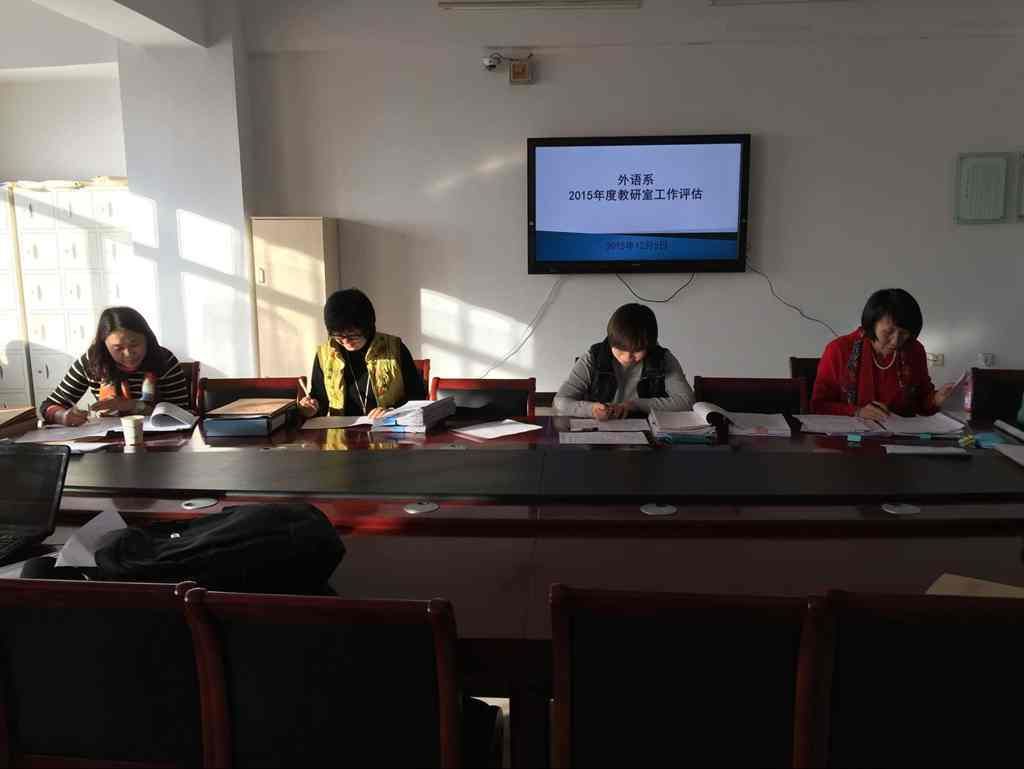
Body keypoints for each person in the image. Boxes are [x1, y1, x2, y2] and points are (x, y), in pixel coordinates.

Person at [811, 288, 955, 419]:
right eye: (888, 332)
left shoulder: (914, 350)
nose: (896, 341)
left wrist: (936, 399)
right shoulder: (839, 349)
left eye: (904, 333)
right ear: (872, 323)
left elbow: (922, 402)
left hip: (902, 435)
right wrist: (857, 412)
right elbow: (818, 406)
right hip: (850, 436)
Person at [39, 306, 191, 425]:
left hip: (160, 442)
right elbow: (48, 406)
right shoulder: (92, 362)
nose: (128, 354)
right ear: (104, 346)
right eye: (118, 348)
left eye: (135, 344)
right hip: (107, 441)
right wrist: (62, 416)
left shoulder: (164, 360)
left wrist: (132, 405)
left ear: (147, 339)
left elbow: (183, 413)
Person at [297, 288, 426, 419]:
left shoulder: (394, 348)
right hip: (341, 429)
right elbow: (320, 399)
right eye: (338, 336)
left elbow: (418, 395)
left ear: (367, 328)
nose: (346, 341)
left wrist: (392, 411)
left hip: (386, 426)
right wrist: (311, 407)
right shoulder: (325, 354)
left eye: (352, 335)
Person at [554, 303, 695, 419]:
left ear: (649, 345)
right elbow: (560, 402)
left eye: (637, 351)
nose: (627, 357)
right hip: (600, 432)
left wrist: (635, 405)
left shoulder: (662, 359)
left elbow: (686, 401)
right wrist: (591, 409)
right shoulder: (593, 357)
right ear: (611, 341)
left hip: (649, 432)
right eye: (620, 349)